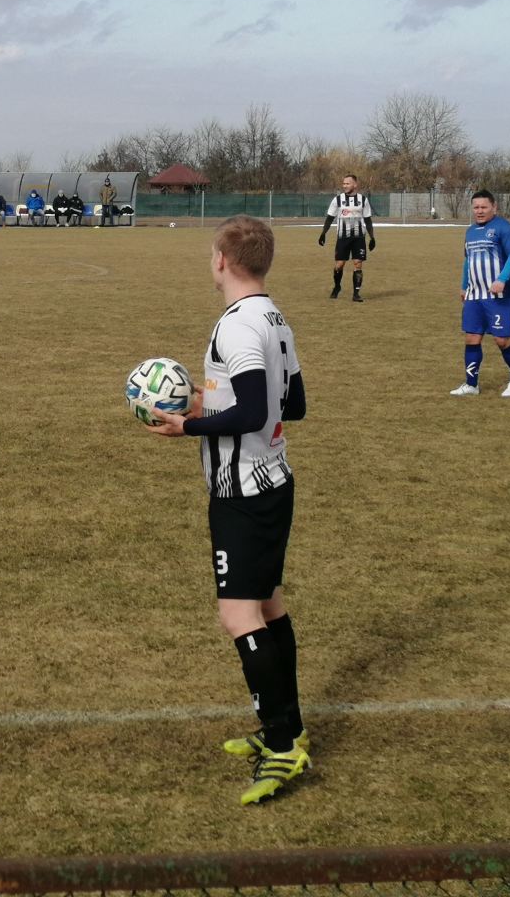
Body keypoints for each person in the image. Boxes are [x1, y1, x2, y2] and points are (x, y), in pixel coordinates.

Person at [144, 215, 311, 805]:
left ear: (221, 259)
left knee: (239, 616)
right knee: (268, 605)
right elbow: (293, 402)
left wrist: (187, 425)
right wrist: (210, 398)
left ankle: (283, 747)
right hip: (273, 480)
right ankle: (287, 728)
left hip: (243, 491)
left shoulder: (237, 325)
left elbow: (255, 411)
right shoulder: (273, 317)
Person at [452, 189, 510, 397]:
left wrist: (502, 279)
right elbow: (468, 260)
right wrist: (464, 286)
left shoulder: (504, 228)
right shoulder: (470, 231)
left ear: (494, 207)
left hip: (498, 297)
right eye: (476, 207)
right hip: (475, 295)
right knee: (472, 338)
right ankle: (471, 385)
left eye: (484, 207)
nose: (480, 211)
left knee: (502, 340)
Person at [318, 174, 375, 302]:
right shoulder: (337, 200)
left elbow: (368, 220)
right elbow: (329, 218)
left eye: (347, 183)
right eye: (343, 184)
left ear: (355, 184)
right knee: (339, 265)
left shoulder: (363, 200)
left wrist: (372, 237)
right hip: (343, 237)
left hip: (359, 237)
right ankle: (337, 286)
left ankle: (356, 294)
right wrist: (323, 233)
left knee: (358, 264)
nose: (344, 186)